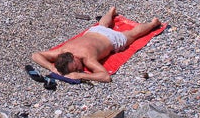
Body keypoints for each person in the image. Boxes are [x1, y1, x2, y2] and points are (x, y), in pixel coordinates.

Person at [30, 7, 164, 83]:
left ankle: (153, 23)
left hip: (111, 39)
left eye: (76, 67)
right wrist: (51, 67)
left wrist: (81, 76)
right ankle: (111, 11)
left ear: (73, 57)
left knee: (133, 34)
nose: (79, 69)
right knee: (102, 24)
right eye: (76, 70)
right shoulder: (63, 50)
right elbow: (35, 55)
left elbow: (105, 77)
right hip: (94, 32)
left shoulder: (87, 58)